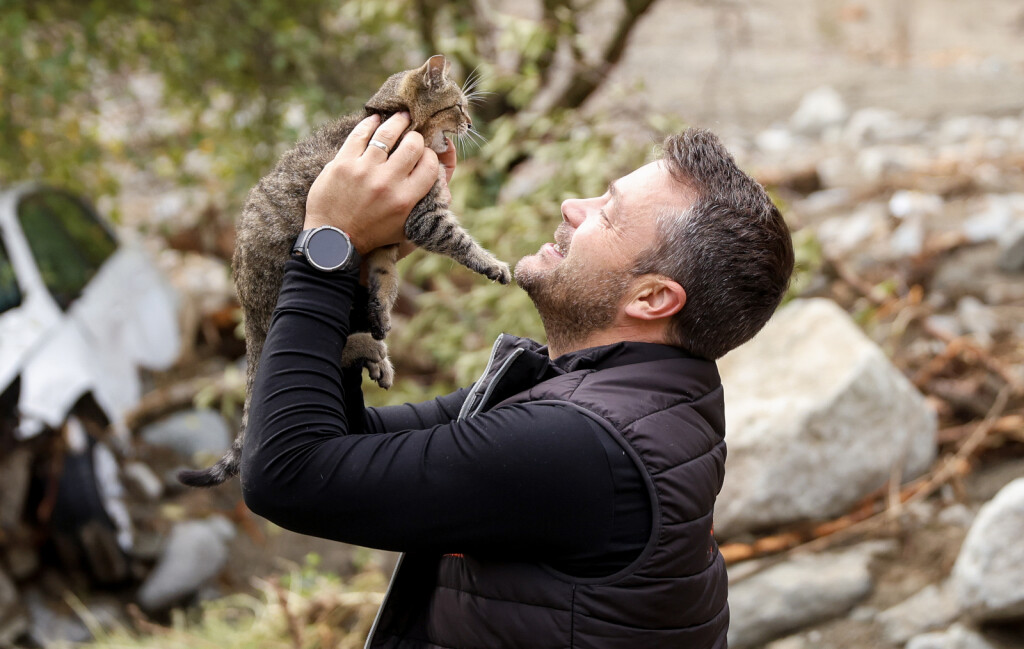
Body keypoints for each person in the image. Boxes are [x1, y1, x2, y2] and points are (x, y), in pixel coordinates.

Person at [241, 112, 794, 649]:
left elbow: (288, 472)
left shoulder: (581, 445)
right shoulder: (621, 400)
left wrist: (330, 242)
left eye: (608, 213)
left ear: (651, 298)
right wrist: (361, 262)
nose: (572, 207)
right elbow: (345, 439)